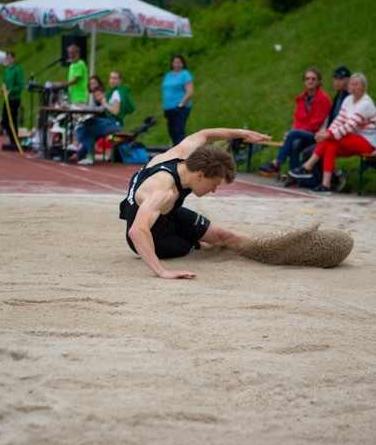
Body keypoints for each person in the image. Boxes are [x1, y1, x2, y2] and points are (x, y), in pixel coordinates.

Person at [119, 127, 271, 279]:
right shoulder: (162, 190)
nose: (213, 190)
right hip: (156, 237)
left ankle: (272, 249)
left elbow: (204, 134)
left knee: (223, 236)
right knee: (203, 246)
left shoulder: (182, 155)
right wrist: (162, 272)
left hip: (167, 214)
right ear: (200, 175)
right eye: (214, 184)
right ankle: (194, 245)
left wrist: (241, 133)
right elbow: (137, 231)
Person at [288, 72, 376, 195]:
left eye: (357, 84)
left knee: (331, 138)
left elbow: (349, 126)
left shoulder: (366, 104)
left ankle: (307, 166)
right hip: (351, 138)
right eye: (351, 84)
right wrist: (326, 133)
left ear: (363, 87)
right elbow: (338, 120)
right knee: (330, 146)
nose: (353, 87)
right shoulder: (348, 99)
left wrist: (327, 135)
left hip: (367, 141)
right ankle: (326, 185)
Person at [258, 67, 331, 178]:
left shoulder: (324, 100)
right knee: (295, 142)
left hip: (316, 135)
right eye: (307, 79)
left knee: (293, 135)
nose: (310, 81)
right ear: (304, 82)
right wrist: (294, 131)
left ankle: (276, 163)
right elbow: (298, 120)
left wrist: (294, 132)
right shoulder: (301, 99)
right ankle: (293, 178)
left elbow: (315, 124)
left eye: (313, 79)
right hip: (301, 134)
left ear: (318, 82)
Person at [294, 66, 351, 189]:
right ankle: (301, 178)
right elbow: (333, 121)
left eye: (341, 79)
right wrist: (324, 133)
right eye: (335, 78)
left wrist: (326, 134)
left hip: (342, 137)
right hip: (330, 135)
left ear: (348, 80)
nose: (337, 81)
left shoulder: (348, 98)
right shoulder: (338, 97)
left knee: (309, 148)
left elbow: (347, 124)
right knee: (298, 143)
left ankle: (324, 179)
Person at [74, 70, 134, 166]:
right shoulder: (113, 92)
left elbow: (115, 111)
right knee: (89, 126)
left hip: (115, 124)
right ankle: (88, 156)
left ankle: (77, 144)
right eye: (111, 78)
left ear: (120, 80)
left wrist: (105, 103)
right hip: (111, 122)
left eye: (115, 78)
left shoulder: (117, 93)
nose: (112, 81)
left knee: (88, 125)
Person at [162, 55, 194, 146]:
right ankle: (174, 150)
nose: (177, 64)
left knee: (179, 131)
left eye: (179, 62)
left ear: (183, 64)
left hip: (179, 107)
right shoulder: (168, 75)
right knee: (172, 132)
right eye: (175, 62)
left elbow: (190, 92)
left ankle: (181, 154)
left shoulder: (185, 74)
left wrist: (181, 104)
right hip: (169, 107)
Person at [0, 51, 24, 147]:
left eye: (10, 58)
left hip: (14, 98)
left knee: (13, 119)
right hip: (7, 99)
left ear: (14, 59)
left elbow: (20, 84)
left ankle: (14, 140)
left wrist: (11, 90)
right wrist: (3, 88)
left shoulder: (17, 70)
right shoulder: (6, 71)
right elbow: (5, 83)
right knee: (4, 121)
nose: (9, 60)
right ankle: (13, 138)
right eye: (7, 58)